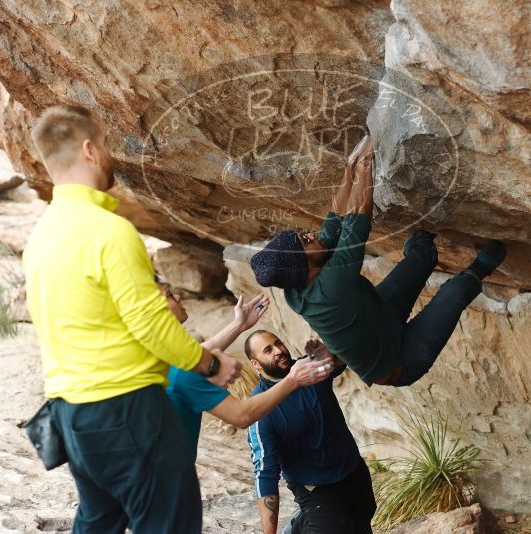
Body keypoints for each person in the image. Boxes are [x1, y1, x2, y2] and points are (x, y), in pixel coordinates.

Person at [23, 104, 241, 534]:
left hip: (71, 414)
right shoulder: (109, 231)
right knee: (167, 523)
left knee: (99, 521)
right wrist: (210, 364)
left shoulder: (41, 235)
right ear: (89, 149)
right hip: (127, 408)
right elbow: (152, 324)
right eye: (104, 144)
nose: (108, 154)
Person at [249, 135, 506, 387]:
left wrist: (350, 168)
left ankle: (420, 247)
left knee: (422, 255)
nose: (310, 234)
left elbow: (333, 225)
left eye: (302, 235)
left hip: (382, 312)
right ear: (305, 266)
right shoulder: (331, 289)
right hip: (399, 362)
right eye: (304, 241)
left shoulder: (296, 283)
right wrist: (365, 163)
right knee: (455, 291)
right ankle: (479, 269)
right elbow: (357, 219)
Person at [159, 281, 334, 458]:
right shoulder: (179, 370)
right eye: (169, 295)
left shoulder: (160, 356)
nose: (178, 296)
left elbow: (200, 352)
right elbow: (242, 415)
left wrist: (239, 325)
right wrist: (293, 379)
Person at [245, 330, 376, 534]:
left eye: (278, 343)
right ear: (255, 364)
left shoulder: (308, 368)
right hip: (316, 490)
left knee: (362, 522)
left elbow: (348, 355)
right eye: (268, 350)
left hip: (353, 471)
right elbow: (265, 474)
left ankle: (299, 525)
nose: (278, 351)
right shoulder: (261, 410)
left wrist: (327, 350)